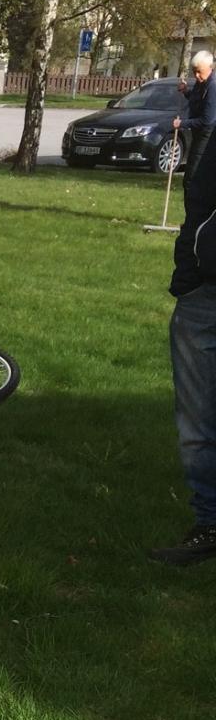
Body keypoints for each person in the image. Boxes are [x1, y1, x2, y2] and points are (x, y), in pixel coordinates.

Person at [149, 122, 216, 564]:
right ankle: (209, 524)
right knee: (196, 424)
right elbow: (201, 199)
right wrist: (189, 276)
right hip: (204, 295)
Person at [173, 50, 216, 197]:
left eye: (199, 72)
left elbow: (207, 120)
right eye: (194, 72)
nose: (196, 76)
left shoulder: (213, 87)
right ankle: (190, 219)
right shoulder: (201, 83)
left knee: (192, 179)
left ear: (211, 68)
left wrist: (182, 123)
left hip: (207, 137)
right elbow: (195, 99)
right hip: (198, 135)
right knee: (189, 179)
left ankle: (194, 219)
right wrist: (186, 91)